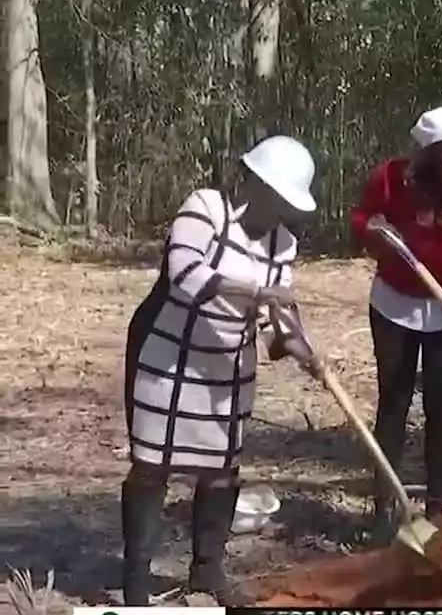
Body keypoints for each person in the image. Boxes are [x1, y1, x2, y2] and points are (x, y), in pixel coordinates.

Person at [121, 135, 320, 606]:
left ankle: (207, 569)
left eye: (287, 202)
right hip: (168, 356)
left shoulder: (283, 245)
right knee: (152, 465)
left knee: (221, 471)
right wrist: (258, 291)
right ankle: (136, 577)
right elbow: (185, 275)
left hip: (229, 368)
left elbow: (279, 327)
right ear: (255, 182)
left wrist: (302, 348)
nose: (279, 210)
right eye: (275, 196)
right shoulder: (205, 208)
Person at [350, 107, 442, 525]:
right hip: (394, 303)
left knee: (441, 406)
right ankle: (385, 503)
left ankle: (438, 504)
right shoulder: (392, 179)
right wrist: (371, 231)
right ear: (430, 153)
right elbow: (362, 218)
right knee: (393, 402)